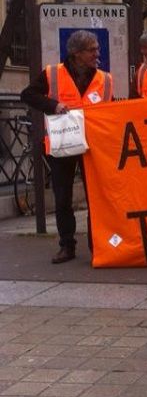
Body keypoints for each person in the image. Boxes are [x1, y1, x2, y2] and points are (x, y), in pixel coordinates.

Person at [20, 30, 113, 264]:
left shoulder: (105, 79)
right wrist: (54, 105)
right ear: (76, 53)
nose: (97, 54)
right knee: (62, 198)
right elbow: (28, 95)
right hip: (62, 144)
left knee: (96, 198)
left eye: (97, 49)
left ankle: (97, 245)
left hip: (93, 146)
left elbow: (110, 111)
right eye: (92, 50)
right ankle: (67, 245)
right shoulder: (53, 73)